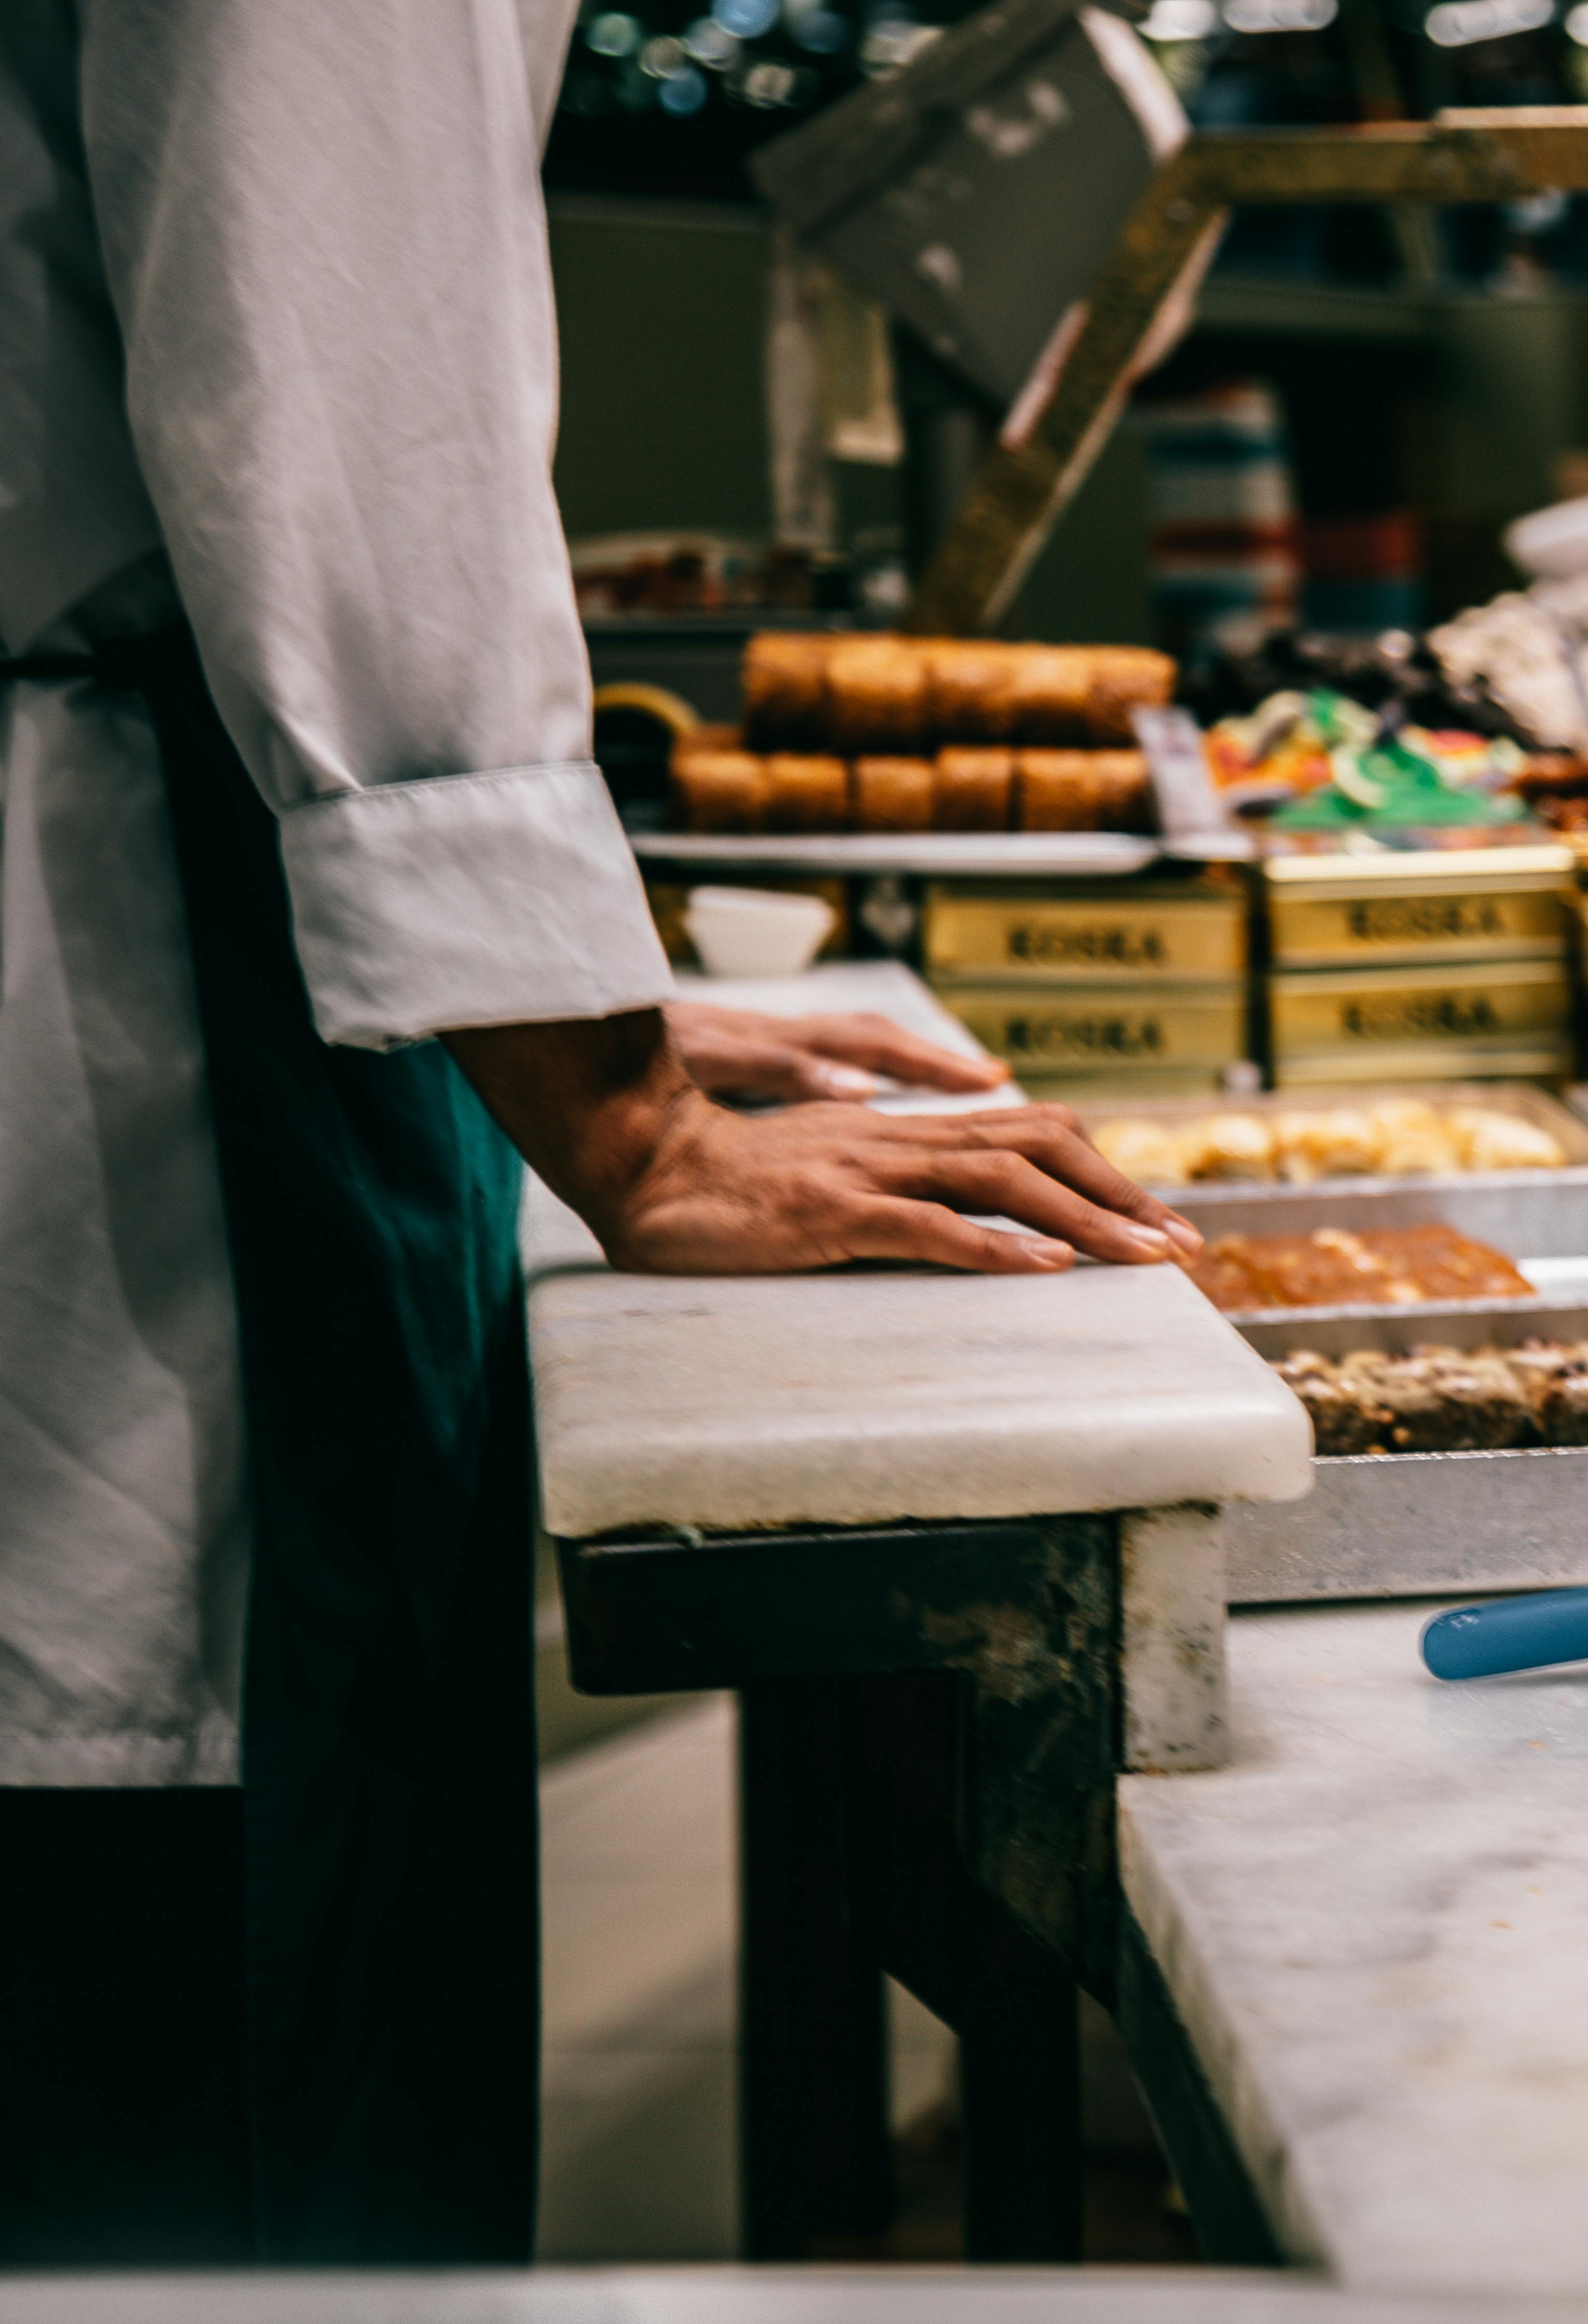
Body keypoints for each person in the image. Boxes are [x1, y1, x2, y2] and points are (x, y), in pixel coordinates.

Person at [0, 0, 1203, 2265]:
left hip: (174, 872)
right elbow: (338, 365)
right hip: (106, 1009)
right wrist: (617, 1106)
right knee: (183, 2111)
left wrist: (582, 989)